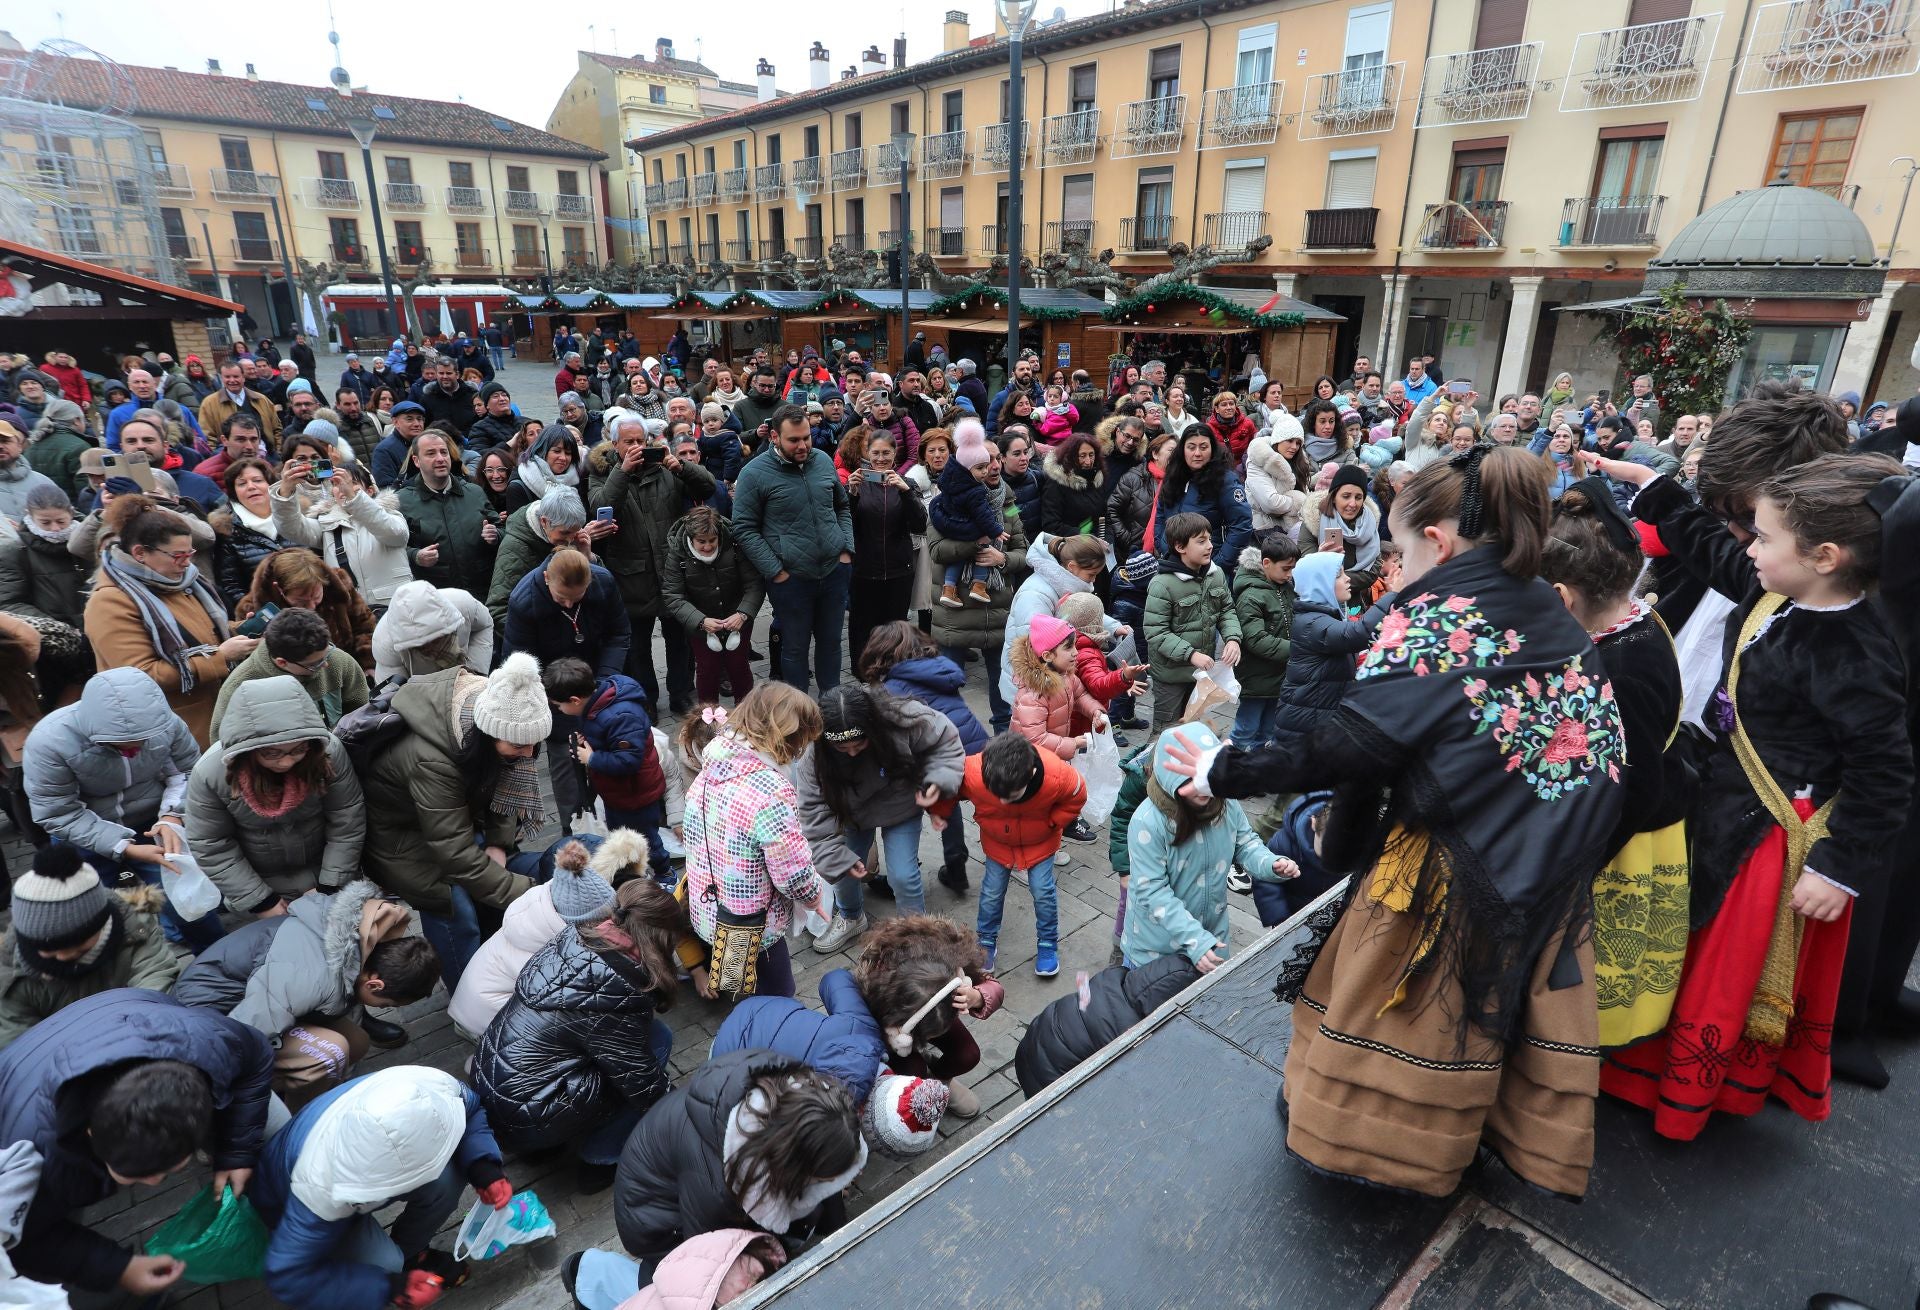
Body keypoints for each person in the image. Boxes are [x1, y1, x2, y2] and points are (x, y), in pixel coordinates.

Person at [1164, 445, 1626, 1199]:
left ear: (1437, 544)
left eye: (1404, 553)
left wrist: (1224, 769)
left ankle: (1380, 1149)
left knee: (1401, 1019)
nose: (1399, 571)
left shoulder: (1437, 620)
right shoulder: (1545, 605)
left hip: (1448, 869)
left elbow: (1346, 746)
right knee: (1486, 1020)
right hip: (1544, 859)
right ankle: (1475, 1136)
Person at [1597, 452, 1912, 1132]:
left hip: (1770, 837)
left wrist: (1839, 868)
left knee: (1720, 969)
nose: (1751, 548)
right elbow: (1714, 549)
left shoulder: (1857, 651)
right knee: (1689, 948)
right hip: (1723, 804)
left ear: (1825, 556)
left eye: (1765, 537)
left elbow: (1884, 772)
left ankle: (1687, 1093)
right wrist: (1656, 491)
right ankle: (1644, 1070)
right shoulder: (1779, 591)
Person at [1538, 479, 1696, 1052]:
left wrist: (1577, 865)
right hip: (1634, 816)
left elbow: (1635, 785)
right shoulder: (1637, 622)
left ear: (1560, 597)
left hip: (1621, 839)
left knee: (1597, 961)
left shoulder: (1617, 669)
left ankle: (1574, 1048)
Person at [0, 989, 274, 1301]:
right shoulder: (36, 1163)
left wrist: (237, 1153)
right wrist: (118, 1269)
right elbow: (24, 1240)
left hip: (126, 1019)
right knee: (43, 1233)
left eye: (172, 1168)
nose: (155, 1182)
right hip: (20, 1092)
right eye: (132, 1174)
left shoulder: (209, 1045)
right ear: (89, 1134)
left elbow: (257, 1055)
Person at [573, 1054, 860, 1305]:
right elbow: (708, 1264)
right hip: (655, 1217)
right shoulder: (713, 1184)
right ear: (789, 1167)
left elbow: (822, 1177)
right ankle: (594, 1278)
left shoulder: (802, 1104)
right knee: (691, 1288)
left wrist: (842, 1234)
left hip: (690, 1180)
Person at [474, 877, 686, 1193]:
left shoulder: (581, 934)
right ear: (658, 936)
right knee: (657, 1044)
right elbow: (642, 1082)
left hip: (495, 1091)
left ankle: (542, 1148)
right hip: (528, 1113)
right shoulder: (617, 988)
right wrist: (687, 1115)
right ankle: (600, 1159)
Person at [253, 1065, 510, 1310]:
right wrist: (388, 1287)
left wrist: (484, 1167)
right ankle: (389, 1272)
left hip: (352, 1174)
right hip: (299, 1201)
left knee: (449, 1178)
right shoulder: (316, 1188)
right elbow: (287, 1274)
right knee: (385, 1263)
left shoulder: (431, 1086)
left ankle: (413, 1254)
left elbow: (471, 1110)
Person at [360, 657, 546, 990]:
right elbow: (455, 855)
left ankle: (496, 962)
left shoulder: (494, 712)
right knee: (451, 903)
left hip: (448, 817)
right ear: (488, 735)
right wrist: (532, 897)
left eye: (534, 743)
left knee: (488, 879)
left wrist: (498, 843)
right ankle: (467, 993)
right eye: (519, 745)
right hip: (400, 841)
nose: (529, 752)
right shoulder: (431, 759)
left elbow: (501, 786)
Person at [171, 881, 435, 1101]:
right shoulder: (312, 977)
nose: (383, 1009)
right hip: (207, 1021)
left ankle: (300, 1089)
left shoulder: (358, 945)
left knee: (357, 1041)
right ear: (374, 983)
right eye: (386, 1004)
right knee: (329, 1054)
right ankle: (292, 1121)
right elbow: (241, 1038)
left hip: (257, 1004)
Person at [683, 683, 833, 999]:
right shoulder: (771, 791)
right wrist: (813, 897)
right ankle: (761, 1038)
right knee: (777, 994)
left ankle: (744, 1020)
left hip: (711, 908)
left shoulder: (713, 765)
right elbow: (791, 872)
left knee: (741, 986)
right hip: (752, 922)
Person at [794, 684, 965, 950]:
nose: (852, 752)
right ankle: (851, 916)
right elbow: (812, 814)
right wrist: (835, 856)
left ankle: (917, 933)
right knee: (844, 871)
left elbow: (945, 742)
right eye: (842, 747)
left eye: (859, 743)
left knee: (904, 876)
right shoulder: (814, 755)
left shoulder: (902, 717)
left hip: (901, 806)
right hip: (850, 814)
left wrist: (938, 781)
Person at [1122, 721, 1299, 972]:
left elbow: (1245, 842)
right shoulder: (1148, 821)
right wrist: (1195, 940)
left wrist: (1271, 864)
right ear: (1169, 774)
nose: (1202, 787)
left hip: (1211, 939)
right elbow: (1152, 890)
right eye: (1190, 779)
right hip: (1156, 950)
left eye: (1206, 777)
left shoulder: (1225, 804)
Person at [935, 731, 1085, 979]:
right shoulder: (973, 771)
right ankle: (985, 941)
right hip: (998, 842)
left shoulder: (1057, 774)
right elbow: (949, 786)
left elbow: (1077, 795)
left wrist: (1053, 823)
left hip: (1040, 843)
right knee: (991, 892)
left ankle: (1047, 944)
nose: (1003, 801)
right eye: (998, 795)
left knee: (1043, 891)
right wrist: (937, 809)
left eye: (1011, 796)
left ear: (1032, 774)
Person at [0, 845, 182, 1049]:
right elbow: (18, 1041)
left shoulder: (136, 929)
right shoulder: (12, 975)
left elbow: (155, 979)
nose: (63, 956)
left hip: (141, 1037)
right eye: (49, 948)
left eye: (77, 943)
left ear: (103, 925)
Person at [731, 404, 853, 694]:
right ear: (774, 436)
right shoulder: (754, 473)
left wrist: (846, 549)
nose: (803, 446)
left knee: (831, 643)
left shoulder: (822, 460)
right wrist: (776, 571)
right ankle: (798, 712)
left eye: (806, 437)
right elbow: (744, 528)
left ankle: (831, 704)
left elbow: (842, 506)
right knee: (795, 649)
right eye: (794, 440)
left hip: (834, 571)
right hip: (791, 580)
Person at [544, 656, 670, 873]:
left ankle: (664, 874)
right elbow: (606, 737)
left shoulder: (620, 715)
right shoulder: (595, 706)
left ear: (575, 700)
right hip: (618, 794)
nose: (559, 710)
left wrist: (591, 758)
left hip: (636, 796)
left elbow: (628, 760)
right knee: (621, 838)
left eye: (558, 706)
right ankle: (631, 874)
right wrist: (587, 740)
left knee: (645, 841)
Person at [1267, 550, 1398, 754]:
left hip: (1314, 717)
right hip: (1305, 724)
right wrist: (1391, 595)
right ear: (1321, 583)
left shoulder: (1322, 616)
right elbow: (1357, 634)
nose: (1348, 579)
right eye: (1339, 575)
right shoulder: (1312, 623)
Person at [1015, 952, 1199, 1096]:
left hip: (1030, 1045)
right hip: (1049, 1080)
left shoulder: (1111, 978)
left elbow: (1083, 996)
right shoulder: (1128, 1034)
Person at [270, 455, 412, 610]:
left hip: (398, 607)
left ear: (370, 491)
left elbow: (395, 534)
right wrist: (285, 491)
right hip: (354, 613)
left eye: (352, 483)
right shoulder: (327, 523)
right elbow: (291, 528)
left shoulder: (390, 514)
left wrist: (354, 497)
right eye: (337, 484)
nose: (344, 488)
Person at [1143, 512, 1242, 733]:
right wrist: (1190, 654)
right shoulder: (1162, 584)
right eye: (1201, 541)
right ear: (1180, 547)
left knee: (1192, 728)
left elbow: (1227, 610)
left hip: (1200, 673)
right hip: (1171, 675)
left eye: (1209, 538)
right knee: (1166, 731)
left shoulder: (1215, 575)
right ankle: (1154, 767)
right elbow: (1156, 633)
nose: (1210, 546)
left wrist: (1233, 638)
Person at [661, 505, 761, 705]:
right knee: (707, 669)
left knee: (739, 666)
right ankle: (708, 721)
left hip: (737, 618)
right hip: (701, 623)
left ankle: (747, 715)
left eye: (712, 541)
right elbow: (673, 596)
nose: (707, 546)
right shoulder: (678, 553)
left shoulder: (734, 544)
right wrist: (700, 621)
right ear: (691, 538)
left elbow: (754, 584)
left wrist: (743, 614)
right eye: (701, 542)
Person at [845, 428, 926, 666]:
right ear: (867, 453)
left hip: (899, 570)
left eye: (886, 453)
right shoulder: (857, 482)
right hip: (864, 570)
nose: (881, 459)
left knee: (895, 627)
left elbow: (920, 524)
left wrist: (906, 492)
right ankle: (863, 670)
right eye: (876, 453)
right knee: (862, 626)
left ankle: (894, 668)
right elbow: (845, 526)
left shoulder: (907, 483)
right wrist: (851, 494)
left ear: (895, 454)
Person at [233, 544, 377, 673]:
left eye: (316, 597)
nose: (311, 607)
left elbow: (364, 627)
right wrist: (262, 643)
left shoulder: (340, 586)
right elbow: (250, 662)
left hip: (346, 671)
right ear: (280, 589)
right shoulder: (251, 608)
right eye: (301, 602)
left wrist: (368, 663)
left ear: (323, 581)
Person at [398, 428, 499, 603]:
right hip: (436, 599)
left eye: (443, 452)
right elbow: (392, 549)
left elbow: (502, 528)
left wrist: (496, 534)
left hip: (483, 593)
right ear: (416, 460)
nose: (440, 458)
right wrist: (416, 555)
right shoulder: (402, 501)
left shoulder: (474, 492)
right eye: (430, 453)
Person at [1010, 611, 1106, 770]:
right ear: (1047, 656)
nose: (1076, 652)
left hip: (1050, 755)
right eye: (1068, 647)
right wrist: (1072, 743)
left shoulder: (1066, 676)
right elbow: (1036, 739)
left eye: (1075, 645)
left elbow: (1080, 695)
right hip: (1028, 762)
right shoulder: (1034, 695)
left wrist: (1094, 711)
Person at [931, 420, 1010, 609]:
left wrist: (1003, 559)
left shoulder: (1009, 502)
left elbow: (1022, 551)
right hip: (956, 622)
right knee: (984, 546)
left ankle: (950, 588)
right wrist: (982, 538)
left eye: (997, 459)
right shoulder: (952, 499)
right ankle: (978, 584)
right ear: (966, 468)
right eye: (983, 465)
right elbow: (938, 551)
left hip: (996, 613)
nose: (992, 467)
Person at [1231, 533, 1298, 750]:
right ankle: (1229, 770)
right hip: (1256, 678)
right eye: (1285, 569)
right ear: (1266, 563)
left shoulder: (1284, 587)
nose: (1289, 575)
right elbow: (1256, 639)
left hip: (1278, 676)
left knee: (1268, 730)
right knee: (1245, 730)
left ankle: (1256, 770)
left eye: (1292, 569)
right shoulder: (1251, 596)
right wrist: (1296, 649)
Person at [1152, 427, 1251, 567]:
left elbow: (1241, 524)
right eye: (1191, 447)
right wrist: (1162, 545)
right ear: (1182, 450)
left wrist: (1219, 563)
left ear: (1212, 449)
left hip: (1209, 565)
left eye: (1203, 447)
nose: (1197, 453)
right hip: (1172, 562)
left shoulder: (1225, 481)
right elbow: (1161, 514)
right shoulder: (1173, 476)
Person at [0, 483, 88, 629]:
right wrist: (57, 629)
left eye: (61, 521)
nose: (55, 529)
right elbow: (9, 603)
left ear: (71, 513)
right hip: (57, 639)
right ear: (29, 515)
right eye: (45, 523)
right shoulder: (14, 552)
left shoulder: (88, 541)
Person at [371, 579, 494, 683]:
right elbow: (394, 698)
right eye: (423, 646)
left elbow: (484, 625)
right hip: (420, 692)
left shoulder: (463, 604)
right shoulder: (385, 644)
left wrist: (476, 674)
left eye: (437, 639)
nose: (431, 646)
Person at [1296, 463, 1382, 575]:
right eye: (1346, 496)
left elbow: (1372, 571)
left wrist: (1339, 580)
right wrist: (1319, 559)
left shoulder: (1369, 523)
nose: (1353, 504)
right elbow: (1306, 569)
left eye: (1358, 497)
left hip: (1353, 591)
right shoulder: (1313, 521)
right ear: (1334, 497)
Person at [1244, 412, 1312, 537]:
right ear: (1278, 439)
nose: (1294, 447)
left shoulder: (1298, 463)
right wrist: (1297, 501)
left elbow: (1306, 493)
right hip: (1265, 530)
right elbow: (1270, 503)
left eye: (1298, 443)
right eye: (1290, 440)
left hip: (1294, 529)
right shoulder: (1256, 462)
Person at [1038, 430, 1108, 543]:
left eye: (1091, 455)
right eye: (1082, 456)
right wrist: (1088, 538)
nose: (1088, 461)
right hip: (1071, 546)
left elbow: (1104, 517)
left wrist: (1108, 539)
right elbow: (1051, 525)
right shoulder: (1057, 483)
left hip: (1098, 543)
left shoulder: (1097, 478)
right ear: (1071, 457)